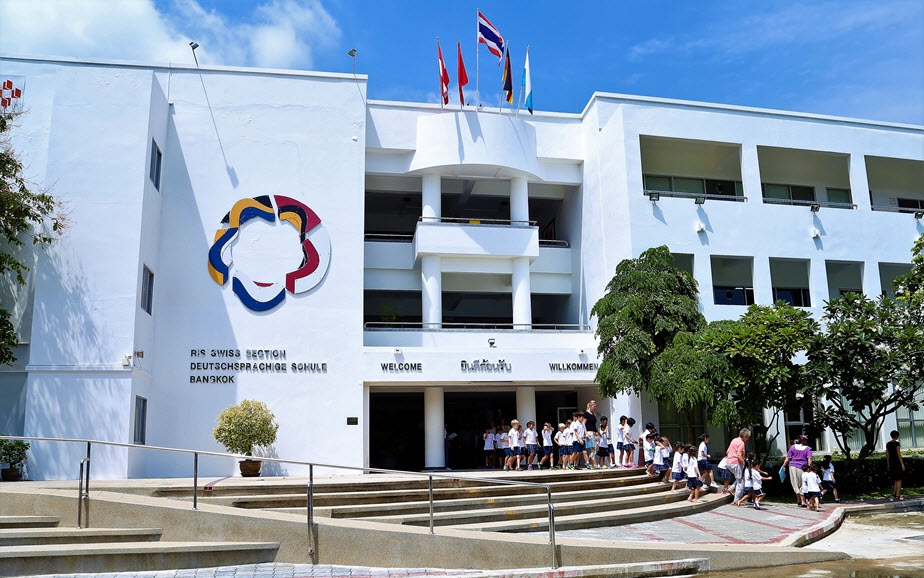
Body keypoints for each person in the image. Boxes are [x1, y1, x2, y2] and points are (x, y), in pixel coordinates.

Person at [782, 435, 813, 507]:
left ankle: (798, 499)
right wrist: (809, 467)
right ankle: (803, 501)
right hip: (802, 467)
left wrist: (784, 466)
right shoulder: (808, 449)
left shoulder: (792, 447)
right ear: (805, 441)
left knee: (795, 483)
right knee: (803, 483)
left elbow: (788, 457)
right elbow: (809, 459)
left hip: (792, 466)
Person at [724, 428, 751, 501]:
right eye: (748, 437)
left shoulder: (734, 440)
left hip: (729, 462)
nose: (748, 439)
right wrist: (744, 463)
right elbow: (739, 455)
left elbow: (727, 451)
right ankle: (736, 500)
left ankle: (732, 488)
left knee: (740, 477)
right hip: (736, 463)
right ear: (744, 436)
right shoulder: (741, 443)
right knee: (741, 482)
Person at [886, 430, 905, 501]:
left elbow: (887, 454)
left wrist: (888, 464)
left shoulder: (888, 444)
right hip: (897, 462)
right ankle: (898, 495)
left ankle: (894, 492)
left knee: (895, 478)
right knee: (899, 479)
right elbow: (898, 454)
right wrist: (902, 463)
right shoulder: (897, 444)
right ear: (897, 436)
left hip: (891, 462)